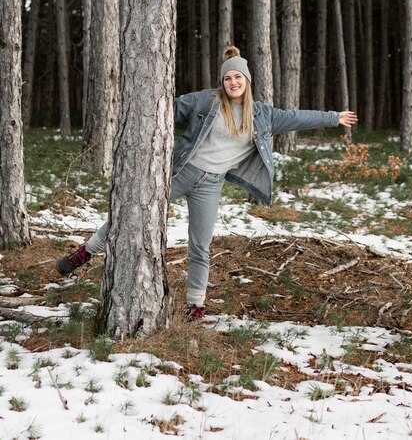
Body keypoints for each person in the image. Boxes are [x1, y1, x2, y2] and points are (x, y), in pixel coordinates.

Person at [56, 47, 358, 321]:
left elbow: (296, 117)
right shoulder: (206, 100)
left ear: (247, 80)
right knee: (130, 213)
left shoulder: (263, 115)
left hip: (211, 185)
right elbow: (166, 108)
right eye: (228, 78)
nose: (233, 82)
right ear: (222, 82)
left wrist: (333, 118)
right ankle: (86, 251)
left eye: (238, 77)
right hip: (181, 172)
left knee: (200, 245)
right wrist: (133, 101)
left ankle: (196, 306)